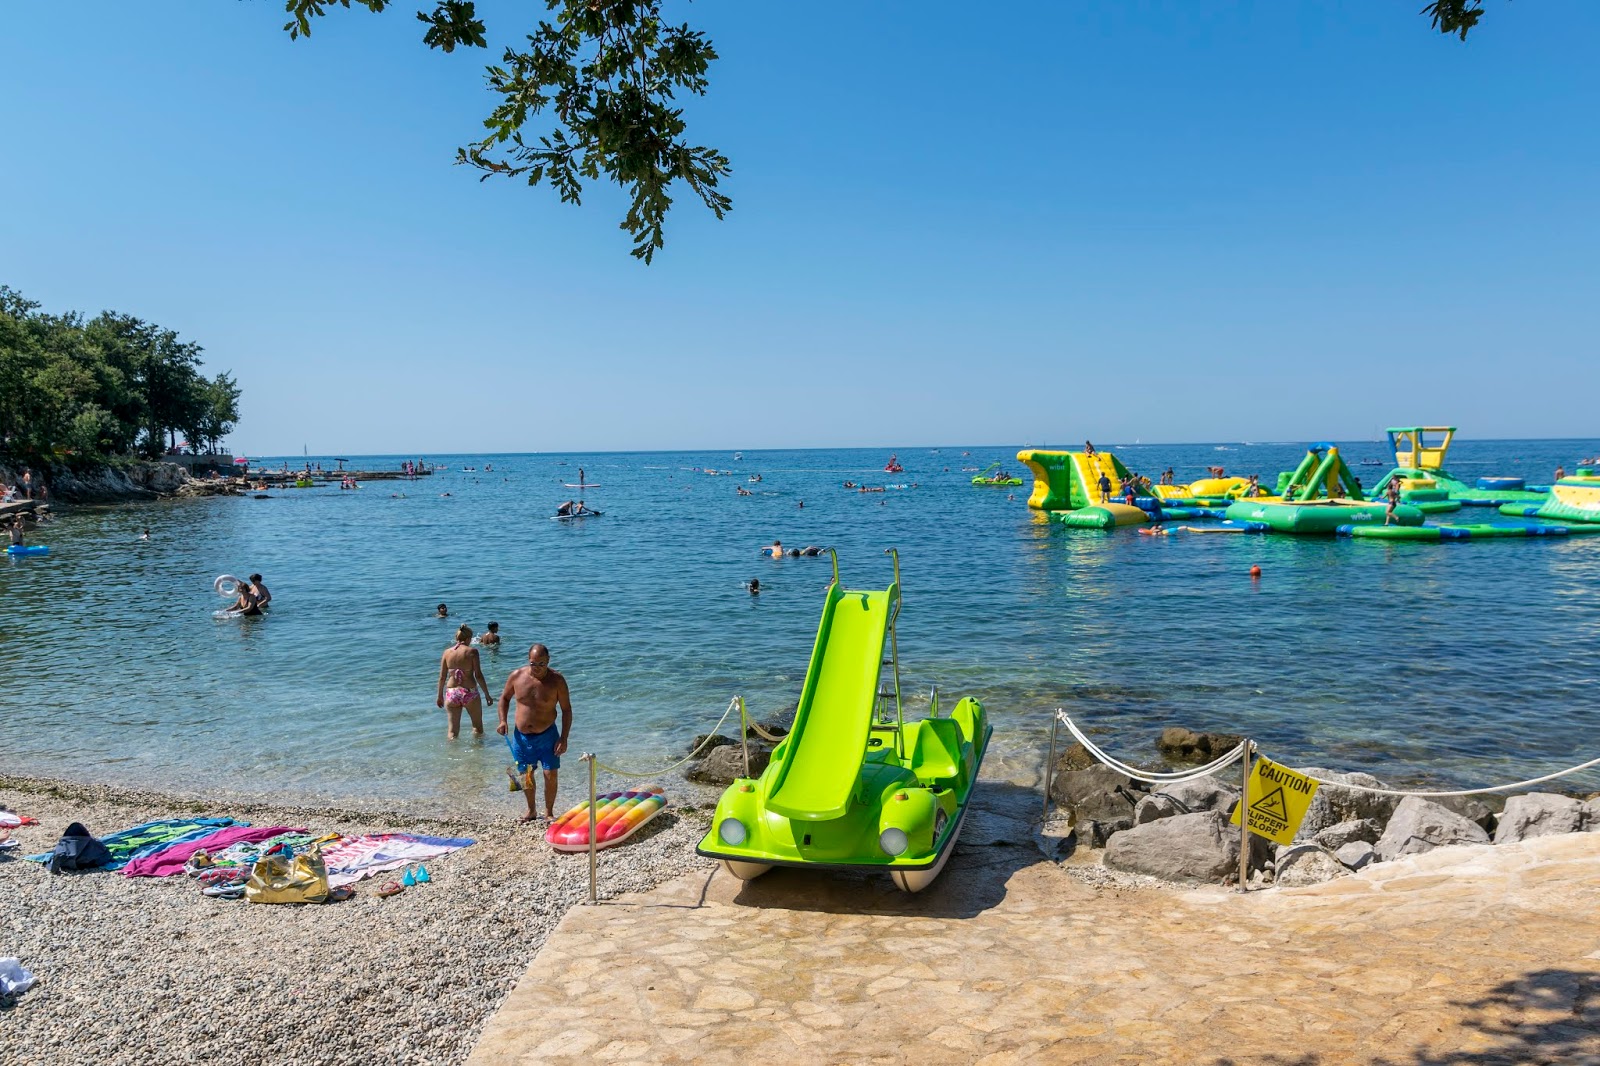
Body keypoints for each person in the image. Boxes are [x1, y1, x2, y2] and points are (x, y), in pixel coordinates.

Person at [498, 643, 572, 823]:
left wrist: (564, 738)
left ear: (548, 661)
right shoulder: (517, 676)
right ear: (528, 661)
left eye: (541, 664)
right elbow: (504, 698)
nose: (537, 668)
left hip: (548, 735)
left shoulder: (557, 680)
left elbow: (567, 710)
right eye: (533, 664)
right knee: (525, 774)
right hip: (521, 737)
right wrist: (502, 720)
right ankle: (531, 810)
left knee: (550, 774)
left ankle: (548, 812)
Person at [436, 624, 492, 740]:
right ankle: (478, 755)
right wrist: (487, 694)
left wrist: (440, 696)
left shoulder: (446, 652)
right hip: (469, 692)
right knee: (477, 728)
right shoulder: (472, 652)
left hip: (452, 693)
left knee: (452, 732)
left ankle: (452, 755)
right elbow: (478, 676)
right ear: (468, 639)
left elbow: (442, 677)